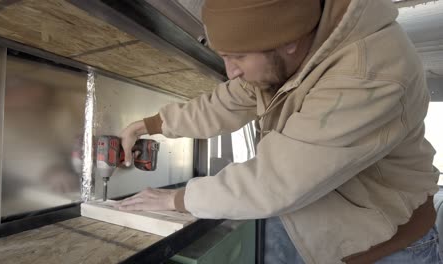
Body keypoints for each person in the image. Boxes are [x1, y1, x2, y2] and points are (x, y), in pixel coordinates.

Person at [116, 0, 441, 263]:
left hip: (387, 245)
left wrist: (177, 199)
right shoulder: (285, 56)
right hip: (308, 220)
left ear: (289, 43)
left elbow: (274, 181)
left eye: (238, 57)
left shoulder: (368, 73)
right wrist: (147, 125)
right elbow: (222, 104)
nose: (231, 73)